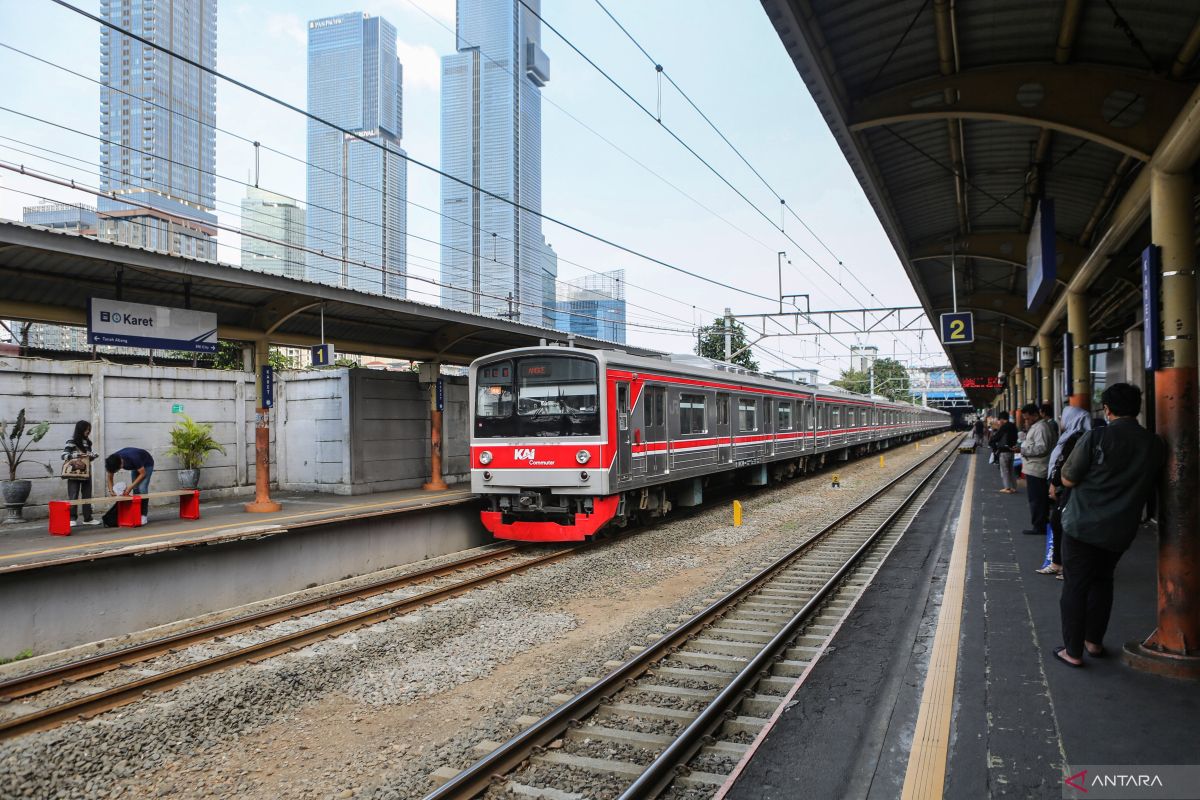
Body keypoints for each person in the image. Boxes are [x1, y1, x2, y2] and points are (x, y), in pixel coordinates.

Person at [1053, 383, 1165, 668]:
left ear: (1107, 409)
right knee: (1103, 583)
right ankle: (1094, 642)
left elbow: (1068, 478)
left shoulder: (1096, 437)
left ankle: (1073, 651)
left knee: (1076, 586)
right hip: (1120, 529)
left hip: (1082, 526)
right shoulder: (1154, 443)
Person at [1041, 406, 1092, 576]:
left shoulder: (1077, 438)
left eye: (1064, 416)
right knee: (1058, 523)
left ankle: (1065, 566)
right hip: (1067, 486)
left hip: (1069, 487)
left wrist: (1055, 483)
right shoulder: (1072, 436)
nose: (1061, 419)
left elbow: (1064, 464)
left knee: (1062, 524)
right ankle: (1058, 563)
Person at [1017, 403, 1054, 537]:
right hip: (1034, 468)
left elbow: (1041, 448)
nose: (1026, 421)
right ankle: (1040, 523)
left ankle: (1039, 526)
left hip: (1038, 469)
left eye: (1027, 418)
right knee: (1038, 499)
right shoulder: (1037, 426)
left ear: (1035, 415)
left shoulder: (1041, 428)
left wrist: (1022, 450)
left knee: (1037, 499)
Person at [60, 420, 100, 526]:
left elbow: (87, 459)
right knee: (73, 495)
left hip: (86, 471)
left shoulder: (87, 442)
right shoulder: (71, 441)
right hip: (74, 472)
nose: (88, 431)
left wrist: (92, 457)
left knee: (87, 495)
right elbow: (63, 455)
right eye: (86, 429)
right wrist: (77, 455)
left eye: (89, 429)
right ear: (80, 429)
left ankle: (88, 518)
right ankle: (72, 518)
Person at [104, 447, 155, 525]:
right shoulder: (113, 461)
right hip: (136, 466)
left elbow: (143, 473)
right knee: (136, 489)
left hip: (147, 464)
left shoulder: (133, 457)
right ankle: (137, 513)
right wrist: (111, 490)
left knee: (142, 489)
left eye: (117, 470)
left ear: (121, 464)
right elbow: (110, 477)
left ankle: (143, 515)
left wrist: (129, 487)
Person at [990, 411, 1018, 493]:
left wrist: (992, 442)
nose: (999, 422)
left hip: (1004, 451)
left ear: (1002, 419)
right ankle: (1014, 487)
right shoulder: (1013, 426)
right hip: (1012, 451)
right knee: (1011, 469)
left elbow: (996, 437)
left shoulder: (1004, 427)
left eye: (999, 420)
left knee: (1004, 470)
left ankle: (1007, 488)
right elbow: (1016, 437)